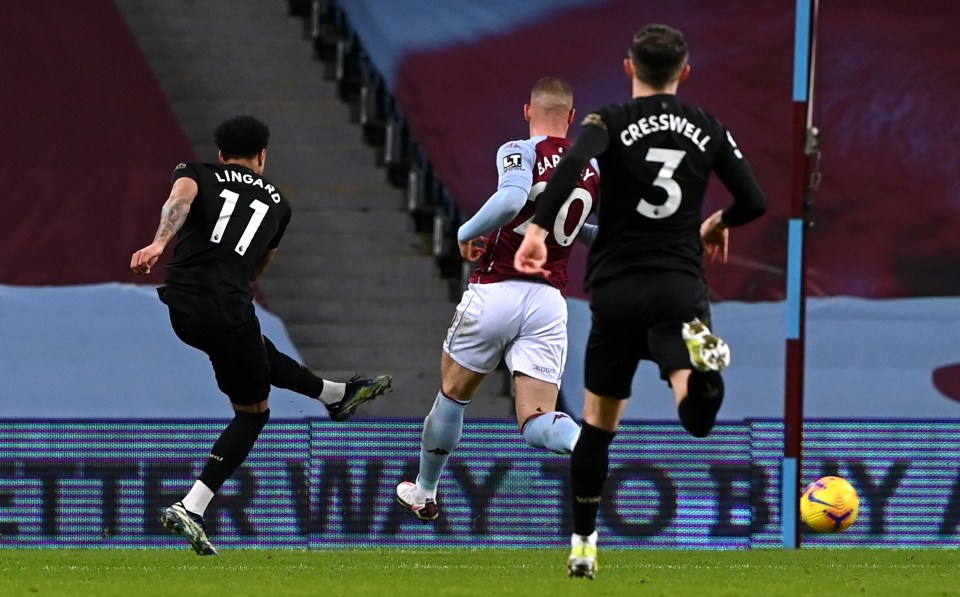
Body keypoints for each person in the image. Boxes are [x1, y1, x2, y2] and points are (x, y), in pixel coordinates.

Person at [515, 25, 767, 579]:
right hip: (678, 286)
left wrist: (537, 230)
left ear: (629, 68)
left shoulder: (609, 120)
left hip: (616, 288)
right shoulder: (707, 126)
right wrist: (719, 220)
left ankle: (583, 543)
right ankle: (698, 373)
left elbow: (567, 169)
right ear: (685, 72)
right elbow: (754, 200)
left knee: (599, 427)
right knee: (695, 416)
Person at [130, 115, 392, 555]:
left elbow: (180, 201)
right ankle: (191, 507)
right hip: (229, 308)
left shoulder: (195, 171)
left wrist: (159, 244)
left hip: (183, 306)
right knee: (253, 414)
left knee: (255, 351)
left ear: (220, 154)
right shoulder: (280, 204)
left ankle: (335, 395)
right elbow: (257, 268)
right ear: (263, 156)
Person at [395, 78, 600, 523]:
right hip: (549, 302)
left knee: (452, 394)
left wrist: (465, 231)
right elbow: (580, 227)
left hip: (497, 289)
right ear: (571, 115)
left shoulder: (521, 149)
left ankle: (426, 489)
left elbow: (511, 200)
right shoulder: (591, 167)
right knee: (537, 420)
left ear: (527, 111)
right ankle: (584, 443)